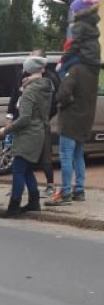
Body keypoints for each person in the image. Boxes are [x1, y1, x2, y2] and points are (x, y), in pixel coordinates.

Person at [0, 57, 53, 218]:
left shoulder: (30, 91)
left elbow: (25, 117)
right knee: (27, 169)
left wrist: (5, 130)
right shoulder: (45, 86)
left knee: (18, 170)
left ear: (27, 70)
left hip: (28, 133)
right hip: (39, 131)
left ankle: (14, 206)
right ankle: (34, 203)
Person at [46, 51, 99, 206]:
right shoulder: (92, 72)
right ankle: (80, 190)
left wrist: (63, 101)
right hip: (85, 120)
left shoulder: (74, 70)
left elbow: (63, 94)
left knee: (66, 156)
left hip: (71, 120)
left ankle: (66, 192)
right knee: (78, 156)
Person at [6, 53, 58, 196]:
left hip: (34, 126)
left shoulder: (41, 83)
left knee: (39, 159)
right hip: (32, 124)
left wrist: (5, 130)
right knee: (24, 163)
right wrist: (10, 115)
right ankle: (30, 198)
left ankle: (48, 186)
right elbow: (14, 97)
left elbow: (52, 103)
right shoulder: (29, 80)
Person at [58, 0, 100, 78]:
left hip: (85, 55)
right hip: (94, 54)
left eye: (73, 10)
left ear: (79, 11)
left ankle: (66, 87)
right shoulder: (91, 22)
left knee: (61, 69)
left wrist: (63, 59)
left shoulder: (79, 24)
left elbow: (75, 45)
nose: (72, 13)